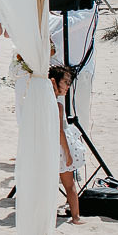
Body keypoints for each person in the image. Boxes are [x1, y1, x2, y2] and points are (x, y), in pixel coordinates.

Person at [50, 66, 85, 224]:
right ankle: (76, 217)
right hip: (59, 149)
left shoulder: (40, 103)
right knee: (69, 185)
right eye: (65, 82)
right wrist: (68, 153)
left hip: (48, 148)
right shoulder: (57, 106)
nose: (68, 86)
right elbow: (60, 132)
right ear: (54, 82)